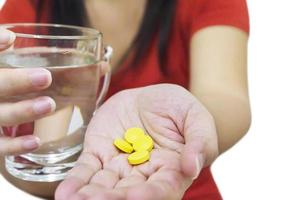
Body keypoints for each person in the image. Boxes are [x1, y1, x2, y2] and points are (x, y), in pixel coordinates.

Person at [0, 0, 251, 199]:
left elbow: (226, 96)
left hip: (183, 189)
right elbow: (43, 163)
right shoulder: (28, 7)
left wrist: (186, 124)